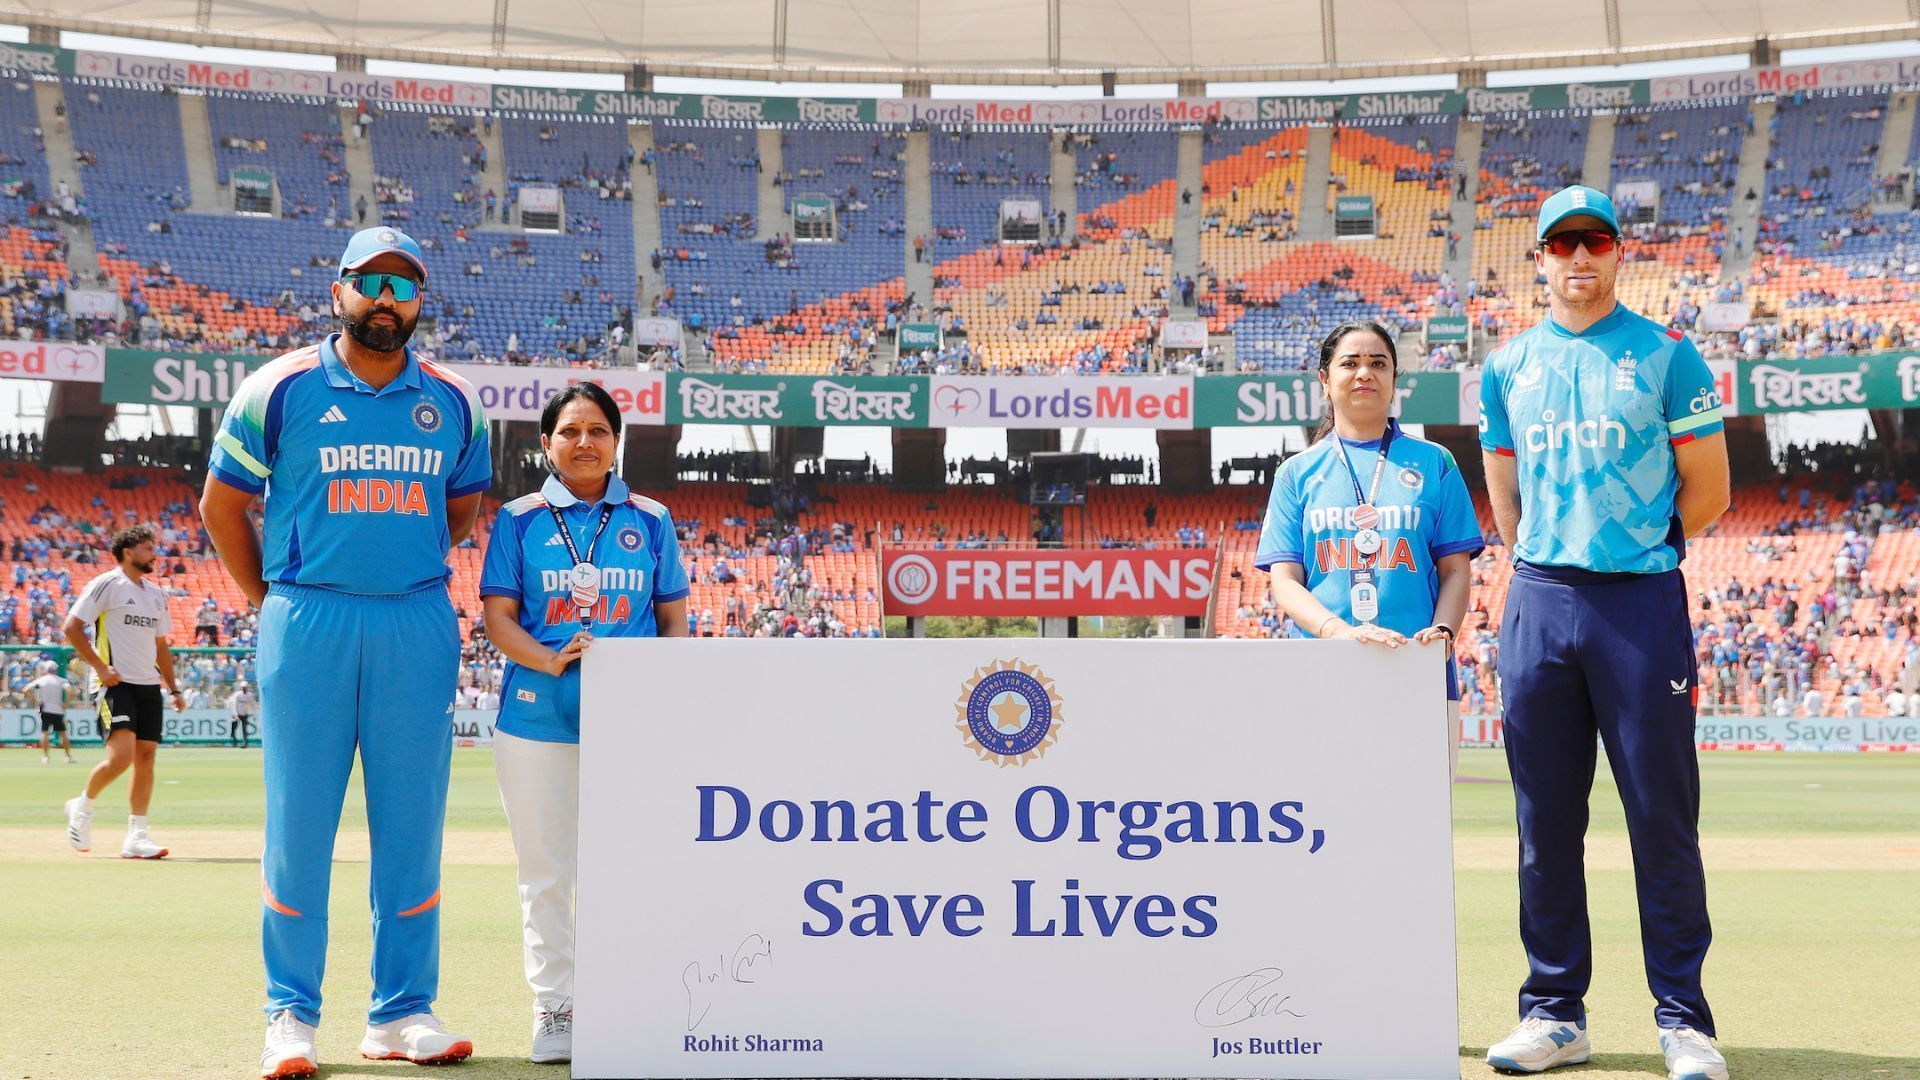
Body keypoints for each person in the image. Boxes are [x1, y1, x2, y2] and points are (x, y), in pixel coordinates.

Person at [200, 226, 491, 1080]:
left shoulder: (455, 400)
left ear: (421, 304)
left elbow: (461, 512)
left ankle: (402, 1013)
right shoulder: (277, 388)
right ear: (339, 291)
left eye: (403, 288)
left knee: (412, 829)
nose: (386, 301)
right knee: (299, 827)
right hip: (308, 620)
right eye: (371, 283)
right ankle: (288, 1017)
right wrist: (272, 601)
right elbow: (223, 507)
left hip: (414, 622)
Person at [1478, 186, 1732, 1080]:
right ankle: (1554, 1012)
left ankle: (1683, 1020)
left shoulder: (1667, 355)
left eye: (1595, 241)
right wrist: (1542, 561)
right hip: (1541, 602)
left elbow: (1710, 490)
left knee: (1661, 819)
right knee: (1545, 823)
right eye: (1561, 244)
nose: (1578, 258)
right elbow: (1503, 493)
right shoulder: (1507, 366)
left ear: (1619, 253)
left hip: (1638, 605)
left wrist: (1639, 550)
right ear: (1539, 259)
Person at [479, 383, 690, 1064]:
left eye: (598, 429)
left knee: (626, 868)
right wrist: (547, 658)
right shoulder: (517, 518)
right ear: (546, 444)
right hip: (536, 720)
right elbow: (497, 618)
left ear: (616, 441)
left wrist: (659, 695)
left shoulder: (652, 519)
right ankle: (555, 1008)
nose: (584, 442)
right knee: (545, 873)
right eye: (569, 431)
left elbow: (673, 622)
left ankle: (625, 998)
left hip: (627, 726)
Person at [1254, 322, 1484, 777]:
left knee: (1419, 828)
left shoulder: (1435, 461)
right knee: (1324, 824)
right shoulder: (1296, 473)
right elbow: (1284, 581)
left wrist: (1442, 631)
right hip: (1323, 671)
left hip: (1418, 671)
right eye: (1350, 363)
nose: (1365, 373)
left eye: (1378, 364)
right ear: (1324, 379)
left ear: (1395, 380)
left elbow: (1456, 571)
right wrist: (1338, 633)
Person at [61, 524, 186, 858]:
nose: (154, 553)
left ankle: (137, 837)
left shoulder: (156, 594)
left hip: (148, 686)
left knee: (146, 759)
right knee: (122, 758)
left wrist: (173, 689)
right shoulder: (107, 584)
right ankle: (82, 807)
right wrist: (100, 667)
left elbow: (161, 647)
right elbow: (71, 627)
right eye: (147, 547)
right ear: (128, 552)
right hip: (114, 684)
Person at [30, 659, 74, 765]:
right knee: (63, 734)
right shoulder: (61, 680)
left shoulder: (42, 680)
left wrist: (36, 700)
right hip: (58, 710)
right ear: (56, 669)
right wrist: (66, 703)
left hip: (45, 709)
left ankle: (46, 757)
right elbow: (70, 691)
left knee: (45, 733)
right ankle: (68, 757)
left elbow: (26, 689)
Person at [230, 681, 257, 749]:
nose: (244, 689)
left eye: (245, 687)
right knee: (234, 728)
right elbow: (233, 705)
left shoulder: (250, 695)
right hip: (237, 714)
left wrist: (254, 715)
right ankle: (234, 742)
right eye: (243, 687)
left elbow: (253, 705)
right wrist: (235, 714)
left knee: (244, 729)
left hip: (244, 714)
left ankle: (245, 743)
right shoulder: (237, 695)